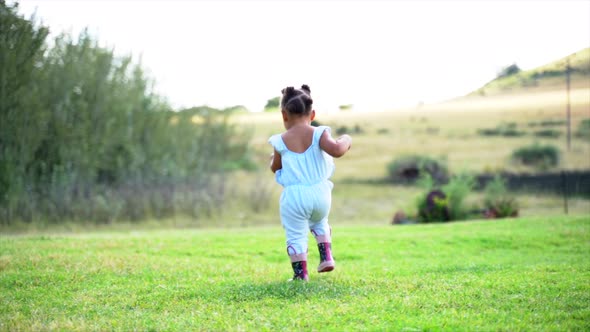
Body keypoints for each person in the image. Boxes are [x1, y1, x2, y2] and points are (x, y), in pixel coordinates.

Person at [268, 84, 352, 281]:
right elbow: (338, 150)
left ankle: (300, 275)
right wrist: (346, 138)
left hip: (295, 197)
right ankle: (326, 256)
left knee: (296, 234)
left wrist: (272, 159)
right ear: (312, 114)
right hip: (321, 194)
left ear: (284, 115)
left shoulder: (280, 141)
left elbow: (275, 167)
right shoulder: (319, 133)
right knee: (320, 221)